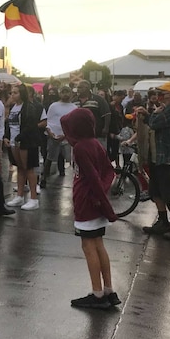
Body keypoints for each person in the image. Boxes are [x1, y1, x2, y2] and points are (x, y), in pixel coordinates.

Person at [61, 108, 120, 309]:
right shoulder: (96, 144)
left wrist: (99, 199)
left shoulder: (79, 148)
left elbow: (93, 178)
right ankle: (109, 289)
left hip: (86, 201)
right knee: (99, 244)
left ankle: (97, 293)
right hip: (96, 201)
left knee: (88, 246)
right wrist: (103, 200)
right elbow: (108, 172)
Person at [138, 81, 170, 240]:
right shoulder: (165, 109)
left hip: (169, 158)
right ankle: (163, 221)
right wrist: (147, 114)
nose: (158, 97)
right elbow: (152, 120)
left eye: (162, 94)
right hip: (157, 157)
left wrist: (153, 115)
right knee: (156, 191)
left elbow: (155, 123)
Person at [42, 85, 78, 185]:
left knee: (73, 160)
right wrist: (50, 133)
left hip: (68, 138)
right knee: (49, 158)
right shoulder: (53, 106)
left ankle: (76, 180)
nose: (65, 94)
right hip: (54, 136)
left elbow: (74, 125)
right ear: (59, 93)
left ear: (71, 93)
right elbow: (48, 121)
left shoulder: (74, 107)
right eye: (63, 92)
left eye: (67, 92)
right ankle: (44, 178)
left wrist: (66, 135)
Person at [75, 80, 111, 147]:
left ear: (87, 88)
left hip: (97, 134)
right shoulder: (74, 101)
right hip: (80, 135)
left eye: (80, 87)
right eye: (77, 88)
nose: (78, 89)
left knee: (99, 154)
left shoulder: (98, 99)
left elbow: (107, 114)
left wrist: (106, 128)